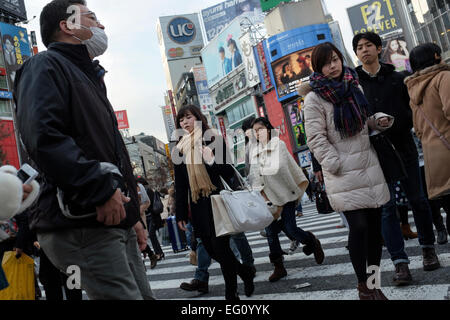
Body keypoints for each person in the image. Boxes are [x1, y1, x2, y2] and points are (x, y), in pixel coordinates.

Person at [13, 0, 153, 300]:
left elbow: (112, 153)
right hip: (82, 218)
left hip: (111, 218)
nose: (101, 26)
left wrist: (133, 219)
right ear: (67, 26)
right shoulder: (44, 65)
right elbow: (44, 137)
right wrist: (100, 190)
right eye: (92, 18)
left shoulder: (89, 76)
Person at [301, 42, 392, 300]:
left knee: (375, 233)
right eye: (326, 63)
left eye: (336, 60)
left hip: (367, 165)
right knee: (359, 227)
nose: (333, 66)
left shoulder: (354, 86)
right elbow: (315, 138)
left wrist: (378, 121)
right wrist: (333, 163)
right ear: (318, 68)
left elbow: (364, 121)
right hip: (342, 172)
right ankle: (363, 284)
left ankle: (374, 285)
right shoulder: (314, 98)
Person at [353, 32, 441, 276]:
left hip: (404, 146)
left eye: (369, 45)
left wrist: (396, 122)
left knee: (418, 200)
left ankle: (428, 249)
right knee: (387, 207)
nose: (364, 50)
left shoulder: (398, 78)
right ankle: (400, 263)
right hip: (376, 152)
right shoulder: (353, 84)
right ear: (356, 53)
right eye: (359, 47)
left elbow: (413, 110)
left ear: (379, 48)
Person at [174, 105, 255, 301]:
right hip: (197, 205)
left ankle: (231, 294)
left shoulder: (212, 139)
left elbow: (228, 171)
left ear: (198, 118)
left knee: (221, 248)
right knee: (210, 250)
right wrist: (181, 214)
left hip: (217, 200)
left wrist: (211, 161)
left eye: (188, 117)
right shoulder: (179, 149)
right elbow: (181, 185)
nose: (185, 122)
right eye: (181, 120)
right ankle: (244, 272)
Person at [248, 117, 325, 283]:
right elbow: (255, 175)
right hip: (267, 197)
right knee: (270, 233)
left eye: (260, 129)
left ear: (268, 129)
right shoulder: (253, 151)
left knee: (291, 229)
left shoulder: (278, 145)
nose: (257, 133)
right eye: (254, 131)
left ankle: (311, 241)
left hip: (284, 192)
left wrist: (266, 171)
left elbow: (282, 166)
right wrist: (260, 190)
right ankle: (279, 267)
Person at [404, 43, 450, 201]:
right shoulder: (443, 77)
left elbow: (418, 129)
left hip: (433, 158)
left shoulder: (413, 89)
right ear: (436, 56)